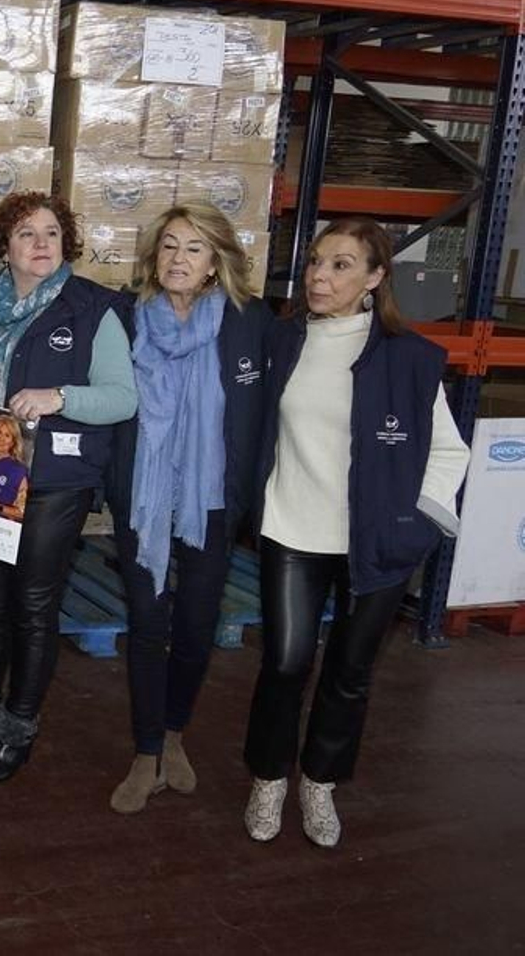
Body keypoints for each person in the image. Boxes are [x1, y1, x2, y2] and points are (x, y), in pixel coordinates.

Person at [242, 217, 467, 848]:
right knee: (286, 662)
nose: (319, 276)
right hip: (292, 527)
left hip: (376, 539)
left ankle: (320, 781)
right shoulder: (283, 340)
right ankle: (269, 778)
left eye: (341, 265)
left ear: (374, 278)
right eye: (316, 261)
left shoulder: (408, 358)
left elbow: (447, 450)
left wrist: (419, 521)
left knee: (349, 669)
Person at [0, 190, 137, 783]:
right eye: (26, 233)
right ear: (5, 246)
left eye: (51, 232)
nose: (41, 243)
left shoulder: (92, 308)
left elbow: (123, 398)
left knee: (34, 606)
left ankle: (17, 729)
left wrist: (60, 398)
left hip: (54, 483)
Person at [102, 204, 270, 815]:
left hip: (211, 498)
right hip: (143, 497)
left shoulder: (249, 322)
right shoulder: (124, 317)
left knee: (197, 625)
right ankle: (146, 751)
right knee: (148, 625)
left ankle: (175, 732)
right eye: (169, 245)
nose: (178, 258)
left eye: (194, 248)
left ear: (214, 263)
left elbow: (267, 412)